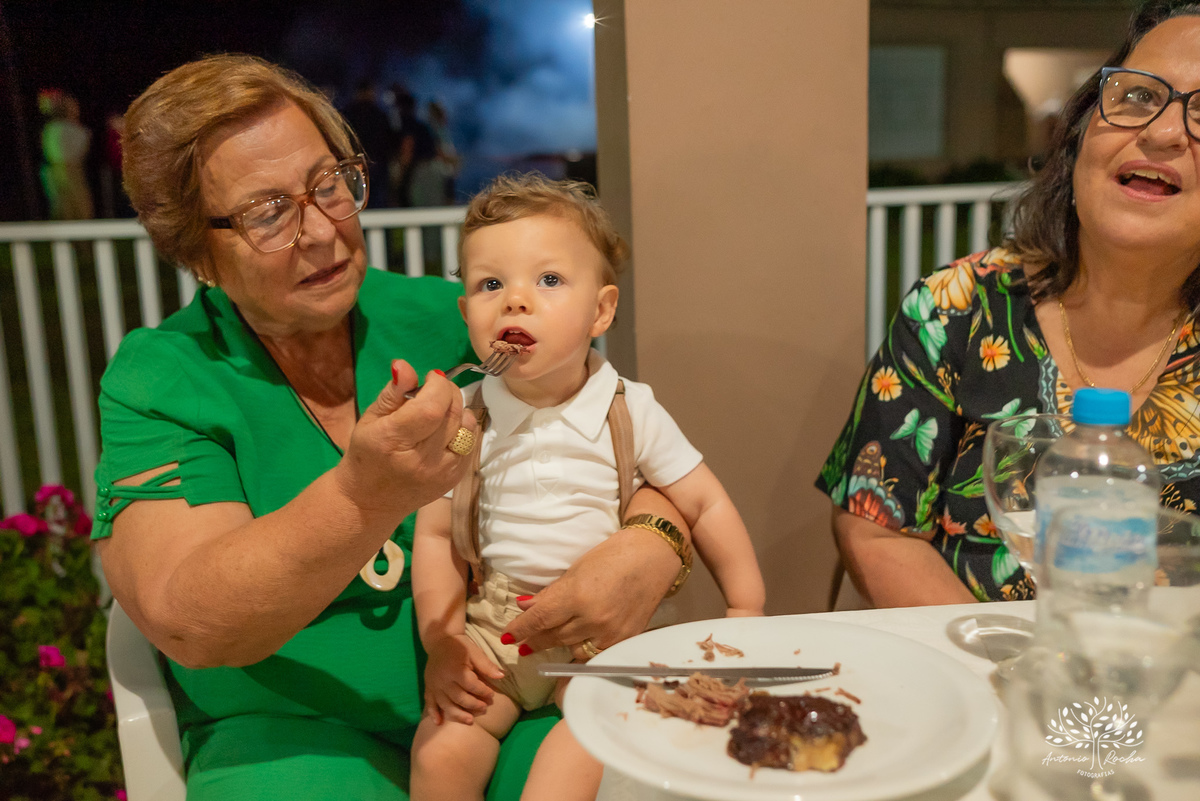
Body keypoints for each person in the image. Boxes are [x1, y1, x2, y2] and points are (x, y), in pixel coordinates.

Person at [94, 54, 696, 800]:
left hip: (505, 694)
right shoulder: (166, 377)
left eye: (327, 184)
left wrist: (652, 541)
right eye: (268, 212)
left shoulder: (456, 319)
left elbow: (629, 438)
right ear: (197, 251)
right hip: (293, 733)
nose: (322, 230)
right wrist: (363, 495)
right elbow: (192, 618)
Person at [819, 0, 1200, 607]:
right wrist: (1004, 664)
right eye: (1138, 96)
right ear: (1079, 138)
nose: (1161, 131)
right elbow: (877, 528)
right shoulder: (956, 307)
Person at [409, 174, 766, 801]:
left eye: (548, 280)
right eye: (491, 285)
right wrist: (443, 641)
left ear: (601, 310)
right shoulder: (465, 415)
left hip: (599, 640)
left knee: (581, 754)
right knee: (440, 755)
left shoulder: (630, 409)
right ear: (466, 314)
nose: (515, 302)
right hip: (496, 630)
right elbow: (436, 535)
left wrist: (746, 607)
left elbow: (704, 502)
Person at [39, 90, 94, 220]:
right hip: (58, 172)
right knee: (63, 210)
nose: (75, 109)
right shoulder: (53, 128)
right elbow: (53, 153)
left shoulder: (79, 130)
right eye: (71, 106)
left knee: (82, 209)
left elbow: (81, 150)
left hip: (75, 171)